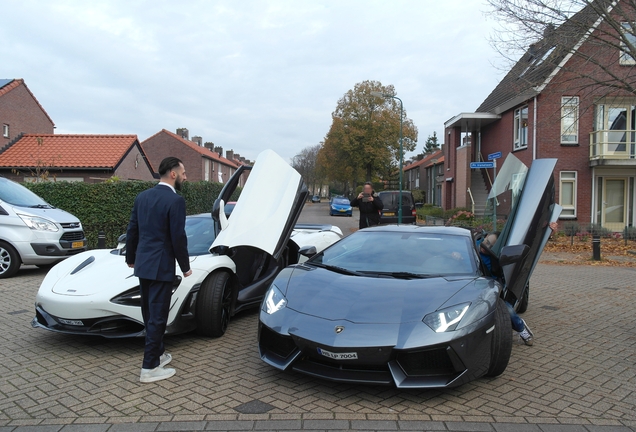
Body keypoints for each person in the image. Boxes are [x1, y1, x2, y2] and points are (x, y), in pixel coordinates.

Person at [126, 157, 192, 383]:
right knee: (158, 317)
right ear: (173, 174)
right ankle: (149, 368)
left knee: (149, 314)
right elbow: (178, 237)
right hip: (161, 266)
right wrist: (186, 267)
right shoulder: (176, 201)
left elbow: (132, 229)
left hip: (144, 265)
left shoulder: (142, 197)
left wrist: (131, 257)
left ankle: (158, 354)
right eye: (183, 172)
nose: (185, 177)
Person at [476, 222, 557, 346]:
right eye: (486, 242)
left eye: (489, 246)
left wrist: (548, 232)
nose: (484, 247)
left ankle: (521, 328)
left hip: (492, 287)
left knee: (506, 308)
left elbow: (531, 248)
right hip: (474, 284)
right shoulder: (473, 246)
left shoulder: (499, 256)